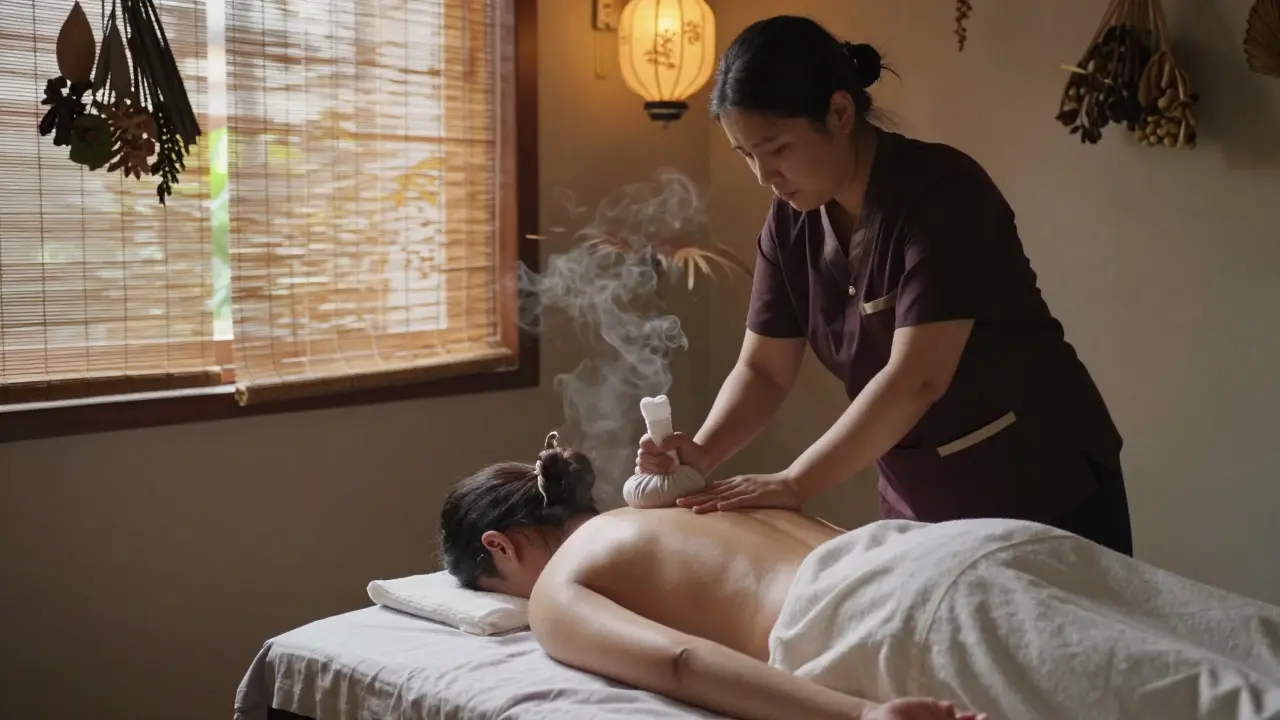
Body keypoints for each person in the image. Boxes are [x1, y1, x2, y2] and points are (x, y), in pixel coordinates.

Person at [635, 15, 1133, 556]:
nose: (764, 175)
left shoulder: (944, 194)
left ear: (840, 113)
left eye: (776, 149)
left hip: (1037, 482)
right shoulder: (789, 223)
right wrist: (700, 455)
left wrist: (795, 482)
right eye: (746, 155)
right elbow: (763, 369)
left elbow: (916, 377)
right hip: (920, 497)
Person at [440, 437, 1280, 720]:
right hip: (963, 547)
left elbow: (679, 665)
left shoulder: (558, 587)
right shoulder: (679, 506)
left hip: (897, 610)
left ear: (502, 546)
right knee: (1246, 652)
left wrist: (860, 713)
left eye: (495, 591)